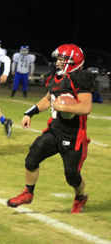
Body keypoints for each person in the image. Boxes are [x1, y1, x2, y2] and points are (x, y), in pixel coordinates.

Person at [7, 44, 94, 214]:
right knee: (31, 159)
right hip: (54, 131)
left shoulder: (79, 79)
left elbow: (85, 107)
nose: (58, 62)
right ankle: (28, 193)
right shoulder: (54, 78)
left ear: (73, 62)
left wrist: (64, 107)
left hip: (74, 136)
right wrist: (30, 113)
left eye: (62, 59)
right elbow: (49, 98)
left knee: (72, 176)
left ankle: (80, 197)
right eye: (58, 59)